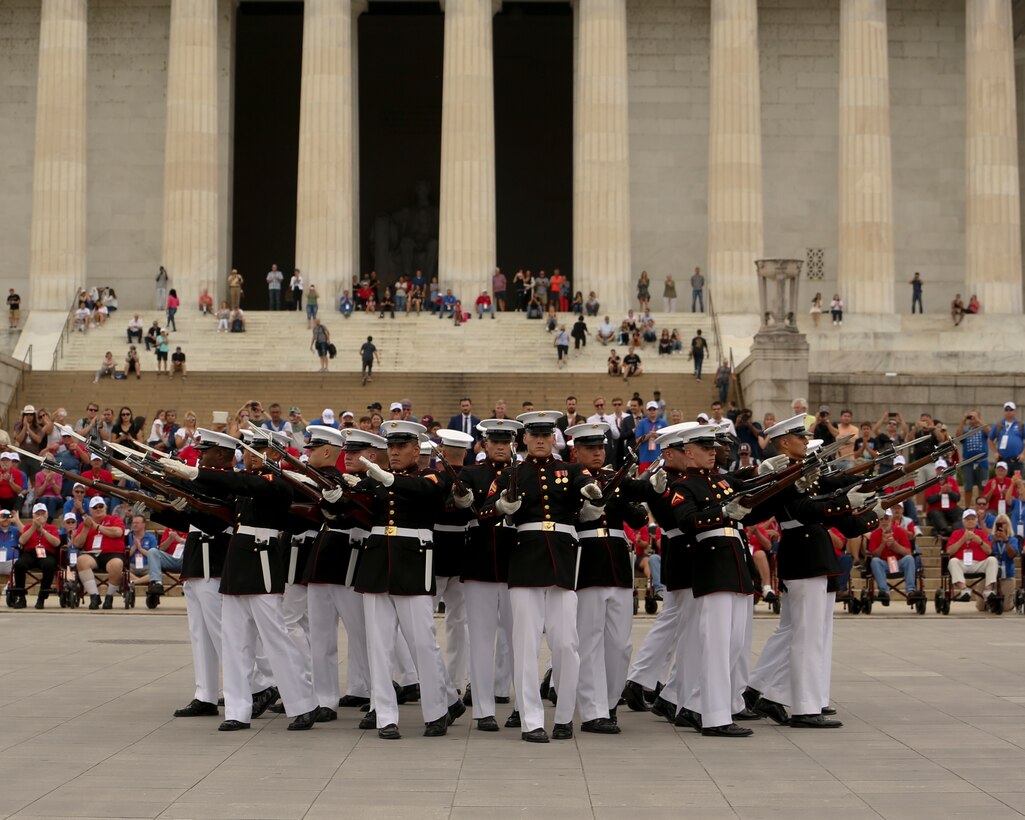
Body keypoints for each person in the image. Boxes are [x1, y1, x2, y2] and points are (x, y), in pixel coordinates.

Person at [162, 429, 320, 731]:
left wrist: (197, 473)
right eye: (247, 448)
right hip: (236, 567)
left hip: (261, 565)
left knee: (276, 639)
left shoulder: (278, 483)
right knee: (235, 643)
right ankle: (237, 710)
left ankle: (303, 703)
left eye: (256, 448)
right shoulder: (246, 485)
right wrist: (177, 508)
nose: (247, 453)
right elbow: (216, 520)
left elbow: (241, 481)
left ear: (274, 453)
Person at [746, 414, 879, 729]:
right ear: (784, 443)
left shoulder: (800, 471)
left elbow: (830, 485)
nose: (806, 442)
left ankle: (767, 693)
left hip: (811, 555)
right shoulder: (783, 474)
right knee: (806, 637)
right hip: (803, 556)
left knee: (800, 633)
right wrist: (846, 500)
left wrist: (863, 486)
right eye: (801, 438)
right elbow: (807, 509)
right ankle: (803, 708)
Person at [487, 411, 604, 742]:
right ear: (524, 439)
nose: (539, 440)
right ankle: (531, 721)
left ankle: (565, 715)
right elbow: (483, 513)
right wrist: (501, 507)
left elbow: (585, 484)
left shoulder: (570, 470)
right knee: (524, 646)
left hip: (563, 563)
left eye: (545, 435)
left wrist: (592, 494)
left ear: (554, 438)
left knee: (567, 643)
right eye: (533, 435)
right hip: (525, 562)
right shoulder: (513, 473)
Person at [352, 420, 463, 739]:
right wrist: (338, 496)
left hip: (413, 562)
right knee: (379, 644)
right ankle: (385, 715)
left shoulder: (429, 476)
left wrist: (387, 479)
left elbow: (429, 493)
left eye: (401, 447)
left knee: (422, 641)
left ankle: (437, 709)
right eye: (391, 447)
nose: (395, 452)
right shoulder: (375, 479)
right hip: (376, 564)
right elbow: (356, 510)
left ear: (417, 449)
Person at [570, 421, 661, 734]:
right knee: (590, 640)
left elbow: (636, 512)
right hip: (589, 562)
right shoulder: (569, 478)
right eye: (590, 448)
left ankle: (609, 702)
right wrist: (583, 511)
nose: (597, 453)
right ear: (576, 450)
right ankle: (593, 710)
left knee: (620, 644)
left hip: (618, 564)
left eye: (600, 448)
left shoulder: (613, 478)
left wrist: (652, 485)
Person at [454, 418, 521, 731]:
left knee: (520, 639)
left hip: (516, 564)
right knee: (480, 640)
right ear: (483, 445)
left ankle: (523, 706)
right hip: (480, 561)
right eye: (493, 442)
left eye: (504, 442)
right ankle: (483, 710)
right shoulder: (471, 473)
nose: (499, 447)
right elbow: (451, 508)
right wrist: (460, 501)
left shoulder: (522, 474)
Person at [72, 497, 127, 610]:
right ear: (90, 510)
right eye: (95, 507)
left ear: (105, 507)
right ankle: (94, 596)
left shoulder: (114, 519)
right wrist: (86, 528)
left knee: (117, 564)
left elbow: (118, 532)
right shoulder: (85, 524)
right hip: (92, 554)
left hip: (112, 553)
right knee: (81, 560)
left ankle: (109, 597)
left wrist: (97, 526)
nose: (98, 509)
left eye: (101, 506)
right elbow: (77, 544)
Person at [10, 504, 59, 609]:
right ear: (33, 516)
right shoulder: (28, 527)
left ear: (46, 515)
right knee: (19, 564)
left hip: (46, 553)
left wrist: (43, 530)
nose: (40, 516)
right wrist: (34, 527)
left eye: (42, 513)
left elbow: (56, 543)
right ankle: (21, 597)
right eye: (38, 514)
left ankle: (42, 597)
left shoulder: (52, 528)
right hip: (30, 553)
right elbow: (22, 541)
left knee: (49, 564)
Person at [865, 510, 918, 605]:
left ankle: (910, 591)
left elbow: (908, 552)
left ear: (891, 520)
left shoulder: (901, 531)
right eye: (882, 519)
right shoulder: (875, 534)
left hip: (898, 563)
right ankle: (884, 592)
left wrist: (894, 545)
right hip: (883, 564)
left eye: (886, 519)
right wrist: (883, 543)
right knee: (875, 561)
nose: (884, 522)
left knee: (909, 559)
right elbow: (874, 554)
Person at [946, 509, 997, 602]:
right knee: (952, 561)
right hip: (962, 564)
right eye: (967, 519)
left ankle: (988, 591)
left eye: (973, 518)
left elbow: (989, 551)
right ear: (963, 521)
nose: (970, 521)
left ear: (976, 520)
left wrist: (980, 541)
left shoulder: (981, 533)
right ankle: (964, 589)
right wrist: (962, 540)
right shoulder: (956, 533)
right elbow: (949, 551)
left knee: (992, 560)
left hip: (979, 563)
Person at [924, 459, 962, 539]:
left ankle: (956, 530)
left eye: (943, 469)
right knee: (935, 514)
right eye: (939, 469)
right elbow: (929, 500)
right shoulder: (931, 482)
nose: (941, 471)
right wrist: (940, 494)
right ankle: (946, 531)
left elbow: (957, 498)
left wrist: (950, 492)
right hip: (936, 509)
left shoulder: (952, 481)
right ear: (936, 470)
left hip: (950, 509)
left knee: (961, 513)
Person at [989, 402, 1023, 476]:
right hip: (1003, 460)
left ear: (1015, 411)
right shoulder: (998, 425)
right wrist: (995, 452)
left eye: (1011, 410)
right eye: (1006, 410)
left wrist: (1023, 454)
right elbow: (990, 439)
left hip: (1017, 461)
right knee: (1004, 483)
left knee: (1017, 484)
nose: (1008, 412)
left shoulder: (1021, 425)